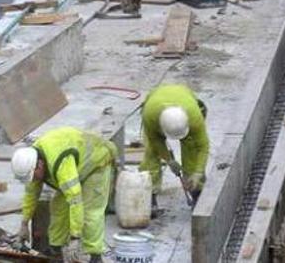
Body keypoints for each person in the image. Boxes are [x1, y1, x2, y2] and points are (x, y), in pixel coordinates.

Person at [11, 127, 117, 263]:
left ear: (40, 165)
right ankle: (55, 249)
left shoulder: (60, 164)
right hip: (76, 164)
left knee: (91, 213)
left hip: (96, 162)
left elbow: (75, 200)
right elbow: (31, 195)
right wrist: (24, 224)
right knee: (58, 207)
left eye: (34, 176)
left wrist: (75, 238)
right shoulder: (32, 161)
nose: (34, 180)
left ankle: (95, 256)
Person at [141, 84, 208, 207]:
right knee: (151, 151)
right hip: (154, 102)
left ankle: (196, 188)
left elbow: (203, 147)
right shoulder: (149, 115)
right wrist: (169, 159)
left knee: (192, 147)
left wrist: (198, 172)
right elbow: (156, 141)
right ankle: (149, 193)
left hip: (184, 96)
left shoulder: (194, 117)